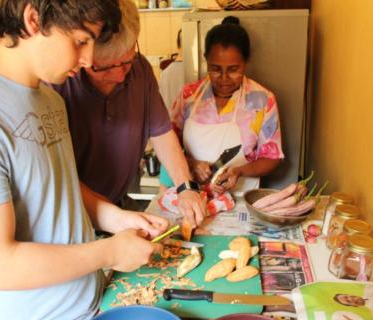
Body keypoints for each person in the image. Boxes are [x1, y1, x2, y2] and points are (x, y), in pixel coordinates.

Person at [0, 1, 170, 320]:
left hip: (93, 305)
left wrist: (118, 218)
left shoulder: (48, 100)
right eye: (81, 40)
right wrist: (108, 253)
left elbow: (61, 187)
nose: (89, 59)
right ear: (33, 19)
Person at [50, 0, 205, 227]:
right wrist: (115, 219)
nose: (120, 76)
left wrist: (186, 187)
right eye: (106, 67)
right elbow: (58, 174)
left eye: (126, 61)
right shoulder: (59, 83)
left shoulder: (140, 70)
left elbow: (162, 134)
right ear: (82, 56)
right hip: (71, 217)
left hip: (118, 204)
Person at [159, 16, 284, 195]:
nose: (224, 79)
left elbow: (273, 157)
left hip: (239, 200)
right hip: (191, 196)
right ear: (206, 62)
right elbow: (167, 144)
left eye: (233, 69)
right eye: (215, 69)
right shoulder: (189, 96)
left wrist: (239, 171)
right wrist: (191, 163)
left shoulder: (262, 100)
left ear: (246, 62)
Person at [159, 29, 185, 112]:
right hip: (190, 123)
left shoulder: (164, 74)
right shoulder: (194, 72)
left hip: (169, 122)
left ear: (178, 46)